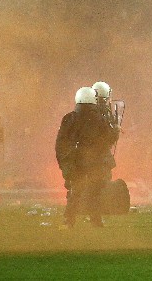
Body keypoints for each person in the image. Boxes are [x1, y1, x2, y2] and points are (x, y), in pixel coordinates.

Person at [55, 86, 120, 227]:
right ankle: (96, 221)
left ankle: (69, 221)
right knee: (94, 193)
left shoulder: (69, 118)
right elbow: (109, 139)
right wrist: (116, 131)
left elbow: (60, 143)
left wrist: (65, 163)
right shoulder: (99, 119)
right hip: (94, 162)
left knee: (75, 192)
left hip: (75, 161)